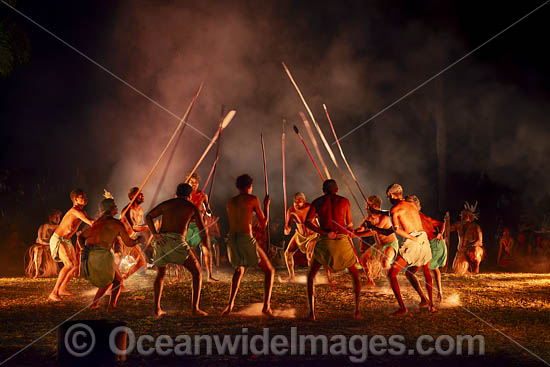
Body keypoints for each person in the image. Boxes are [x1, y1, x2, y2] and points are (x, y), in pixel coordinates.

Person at [145, 183, 208, 317]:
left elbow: (148, 216)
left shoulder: (167, 204)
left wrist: (155, 234)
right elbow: (203, 231)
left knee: (160, 275)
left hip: (162, 242)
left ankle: (157, 309)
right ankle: (195, 309)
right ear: (190, 195)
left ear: (177, 193)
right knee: (197, 272)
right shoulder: (191, 207)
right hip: (176, 242)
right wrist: (206, 245)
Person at [305, 179, 361, 320]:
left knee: (311, 275)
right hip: (341, 240)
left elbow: (307, 222)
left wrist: (324, 233)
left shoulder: (317, 202)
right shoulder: (345, 201)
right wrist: (351, 231)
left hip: (326, 240)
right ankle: (357, 311)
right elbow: (349, 225)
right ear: (336, 189)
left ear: (324, 189)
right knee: (355, 275)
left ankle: (312, 313)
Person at [222, 174, 274, 316]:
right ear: (250, 186)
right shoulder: (253, 199)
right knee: (269, 271)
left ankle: (230, 305)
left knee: (239, 270)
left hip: (232, 239)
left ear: (238, 187)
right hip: (245, 238)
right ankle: (266, 307)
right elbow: (264, 223)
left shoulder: (230, 202)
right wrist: (265, 206)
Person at [385, 184, 435, 315]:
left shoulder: (394, 209)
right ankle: (428, 302)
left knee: (392, 274)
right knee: (411, 272)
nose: (389, 200)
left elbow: (396, 229)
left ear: (392, 195)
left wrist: (411, 239)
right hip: (424, 240)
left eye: (388, 197)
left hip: (414, 241)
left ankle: (402, 308)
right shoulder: (412, 205)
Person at [78, 198, 136, 309]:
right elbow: (129, 242)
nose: (116, 207)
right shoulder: (116, 224)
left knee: (114, 280)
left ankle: (98, 304)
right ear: (110, 208)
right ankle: (107, 305)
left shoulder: (96, 224)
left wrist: (83, 248)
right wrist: (138, 240)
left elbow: (81, 237)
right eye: (114, 205)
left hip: (91, 256)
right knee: (115, 280)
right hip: (102, 256)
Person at [48, 189, 94, 301]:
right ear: (75, 199)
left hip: (66, 241)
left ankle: (62, 288)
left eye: (84, 197)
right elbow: (91, 222)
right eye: (81, 197)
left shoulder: (82, 212)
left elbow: (91, 222)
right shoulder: (75, 211)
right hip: (58, 239)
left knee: (74, 265)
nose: (84, 199)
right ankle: (54, 293)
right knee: (68, 265)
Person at [406, 195, 447, 302]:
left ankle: (428, 300)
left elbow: (442, 223)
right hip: (434, 244)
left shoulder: (420, 217)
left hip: (436, 245)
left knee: (412, 272)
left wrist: (440, 233)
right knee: (434, 268)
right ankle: (439, 294)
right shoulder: (415, 216)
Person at [354, 195, 398, 286]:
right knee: (363, 259)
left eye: (368, 205)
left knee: (385, 262)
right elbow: (361, 228)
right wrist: (351, 231)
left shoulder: (383, 217)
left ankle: (392, 284)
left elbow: (373, 232)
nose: (366, 207)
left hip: (390, 244)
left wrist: (355, 235)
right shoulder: (369, 218)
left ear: (375, 206)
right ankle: (370, 281)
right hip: (378, 245)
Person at [187, 173, 217, 281]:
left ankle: (209, 275)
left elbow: (208, 208)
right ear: (188, 182)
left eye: (195, 183)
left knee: (206, 248)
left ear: (198, 184)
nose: (194, 185)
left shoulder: (203, 195)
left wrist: (210, 213)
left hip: (201, 224)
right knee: (190, 249)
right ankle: (194, 272)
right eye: (191, 182)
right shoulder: (185, 195)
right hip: (189, 225)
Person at [284, 192, 319, 282]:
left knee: (310, 255)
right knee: (288, 253)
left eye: (299, 201)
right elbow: (288, 226)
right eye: (295, 202)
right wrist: (287, 230)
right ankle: (292, 276)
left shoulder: (310, 208)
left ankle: (312, 278)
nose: (296, 204)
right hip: (299, 235)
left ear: (304, 201)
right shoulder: (291, 210)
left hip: (312, 236)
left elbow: (320, 219)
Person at [119, 187, 149, 280]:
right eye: (139, 194)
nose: (142, 195)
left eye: (142, 193)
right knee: (116, 263)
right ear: (132, 197)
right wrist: (149, 227)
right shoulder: (128, 210)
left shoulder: (140, 210)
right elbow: (134, 227)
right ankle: (113, 282)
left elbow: (137, 226)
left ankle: (123, 278)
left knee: (141, 263)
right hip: (120, 239)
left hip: (131, 240)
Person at [451, 202, 485, 275]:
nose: (463, 217)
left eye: (465, 215)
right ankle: (467, 269)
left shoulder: (476, 227)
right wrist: (445, 222)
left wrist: (469, 247)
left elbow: (479, 241)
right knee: (457, 271)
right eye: (462, 215)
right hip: (462, 251)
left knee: (474, 252)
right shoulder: (459, 225)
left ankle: (476, 267)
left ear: (470, 217)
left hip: (472, 250)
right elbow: (448, 229)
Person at [26, 210, 61, 278]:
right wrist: (51, 244)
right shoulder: (45, 226)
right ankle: (37, 272)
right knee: (39, 250)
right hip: (42, 245)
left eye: (59, 217)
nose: (57, 219)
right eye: (55, 217)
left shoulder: (59, 227)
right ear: (50, 217)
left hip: (52, 247)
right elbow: (41, 240)